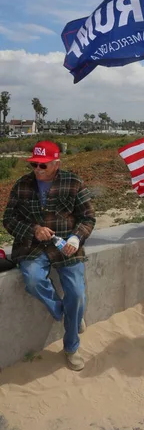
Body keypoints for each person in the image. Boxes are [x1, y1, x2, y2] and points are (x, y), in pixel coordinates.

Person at [2, 141, 95, 371]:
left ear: (56, 164)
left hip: (66, 248)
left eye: (43, 166)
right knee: (33, 281)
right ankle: (65, 314)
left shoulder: (73, 182)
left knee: (77, 294)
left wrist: (75, 239)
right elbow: (9, 219)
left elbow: (88, 217)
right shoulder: (22, 184)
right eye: (34, 164)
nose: (37, 169)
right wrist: (33, 230)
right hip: (32, 247)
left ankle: (71, 347)